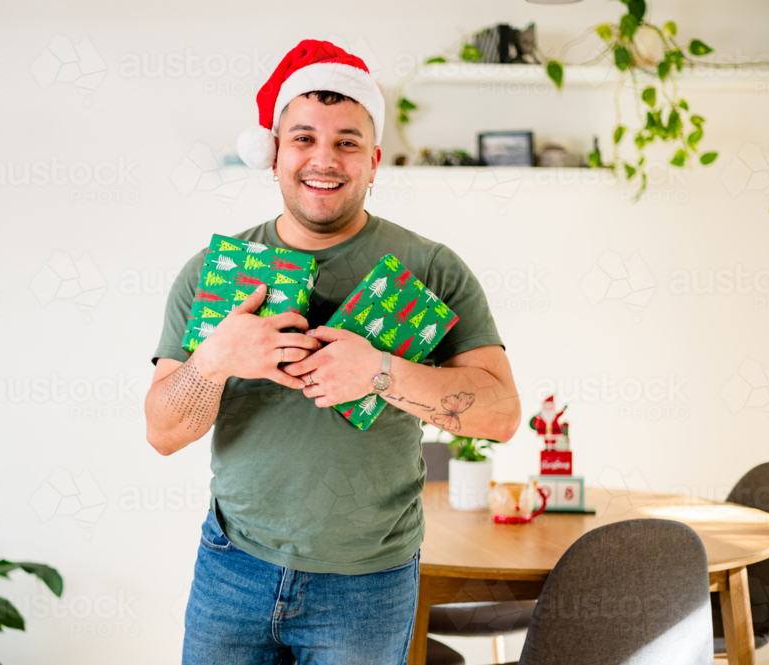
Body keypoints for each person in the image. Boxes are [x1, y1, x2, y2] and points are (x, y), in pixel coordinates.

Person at [145, 39, 521, 665]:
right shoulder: (213, 272)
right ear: (274, 154)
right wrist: (216, 357)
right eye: (303, 138)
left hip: (367, 583)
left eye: (347, 142)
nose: (325, 158)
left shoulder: (432, 268)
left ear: (374, 161)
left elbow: (500, 414)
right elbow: (162, 432)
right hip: (232, 569)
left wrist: (378, 371)